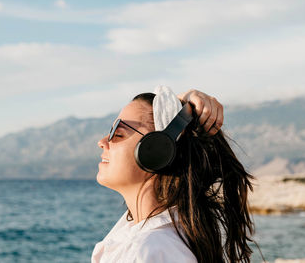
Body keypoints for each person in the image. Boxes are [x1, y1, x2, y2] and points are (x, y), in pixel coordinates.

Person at [92, 87, 253, 263]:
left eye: (118, 132)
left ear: (157, 151)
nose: (102, 142)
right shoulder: (148, 235)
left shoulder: (149, 251)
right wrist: (185, 103)